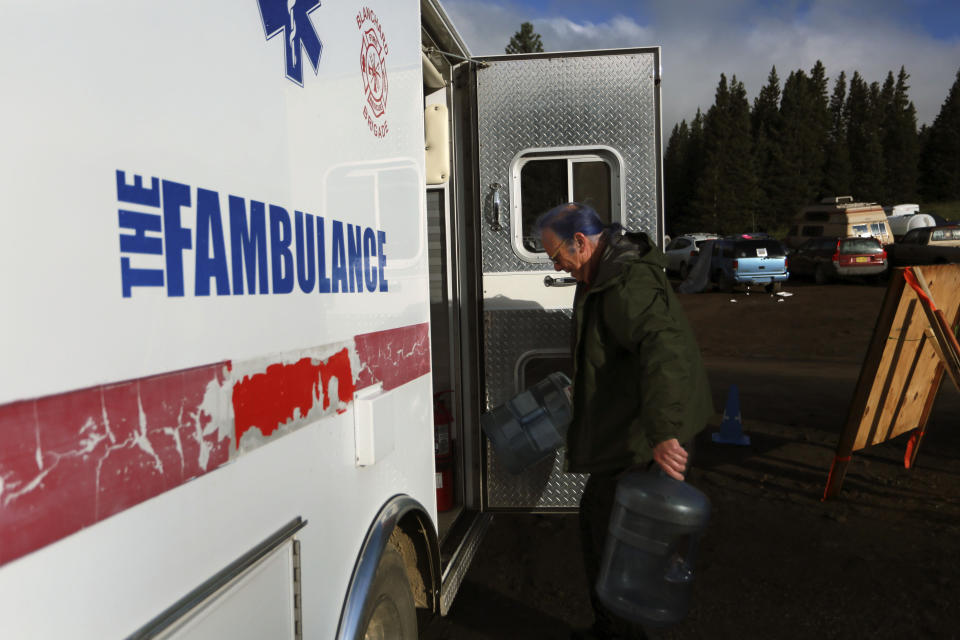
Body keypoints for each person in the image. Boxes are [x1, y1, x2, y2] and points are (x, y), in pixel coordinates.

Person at [535, 202, 713, 640]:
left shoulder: (624, 281)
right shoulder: (605, 273)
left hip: (647, 431)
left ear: (581, 241)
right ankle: (613, 627)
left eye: (557, 255)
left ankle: (619, 631)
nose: (557, 266)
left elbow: (663, 350)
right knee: (607, 525)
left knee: (621, 536)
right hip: (639, 422)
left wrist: (664, 431)